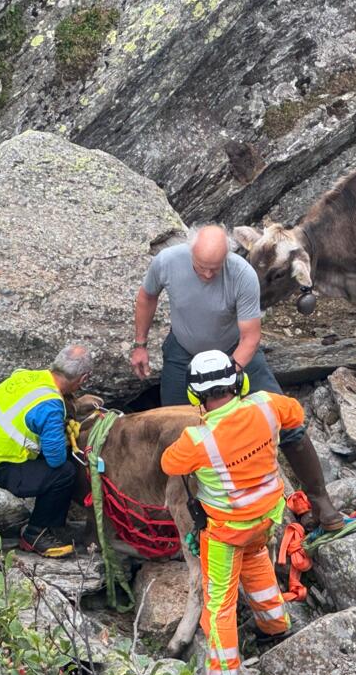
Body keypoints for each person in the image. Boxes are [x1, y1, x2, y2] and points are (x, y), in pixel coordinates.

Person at [131, 225, 344, 530]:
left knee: (286, 421)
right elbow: (146, 297)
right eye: (201, 268)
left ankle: (320, 500)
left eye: (214, 269)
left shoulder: (242, 274)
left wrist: (227, 379)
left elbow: (250, 337)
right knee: (177, 431)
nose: (207, 275)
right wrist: (140, 345)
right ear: (190, 252)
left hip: (233, 352)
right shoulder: (168, 262)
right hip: (184, 352)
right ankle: (185, 511)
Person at [161, 350, 303, 675]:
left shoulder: (197, 440)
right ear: (239, 382)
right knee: (257, 564)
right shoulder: (267, 405)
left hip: (225, 533)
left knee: (219, 602)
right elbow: (296, 413)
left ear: (194, 395)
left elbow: (169, 463)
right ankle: (275, 624)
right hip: (266, 520)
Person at [0, 343, 93, 558]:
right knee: (64, 472)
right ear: (83, 379)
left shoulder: (25, 375)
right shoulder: (50, 405)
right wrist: (65, 437)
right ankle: (36, 534)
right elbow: (56, 458)